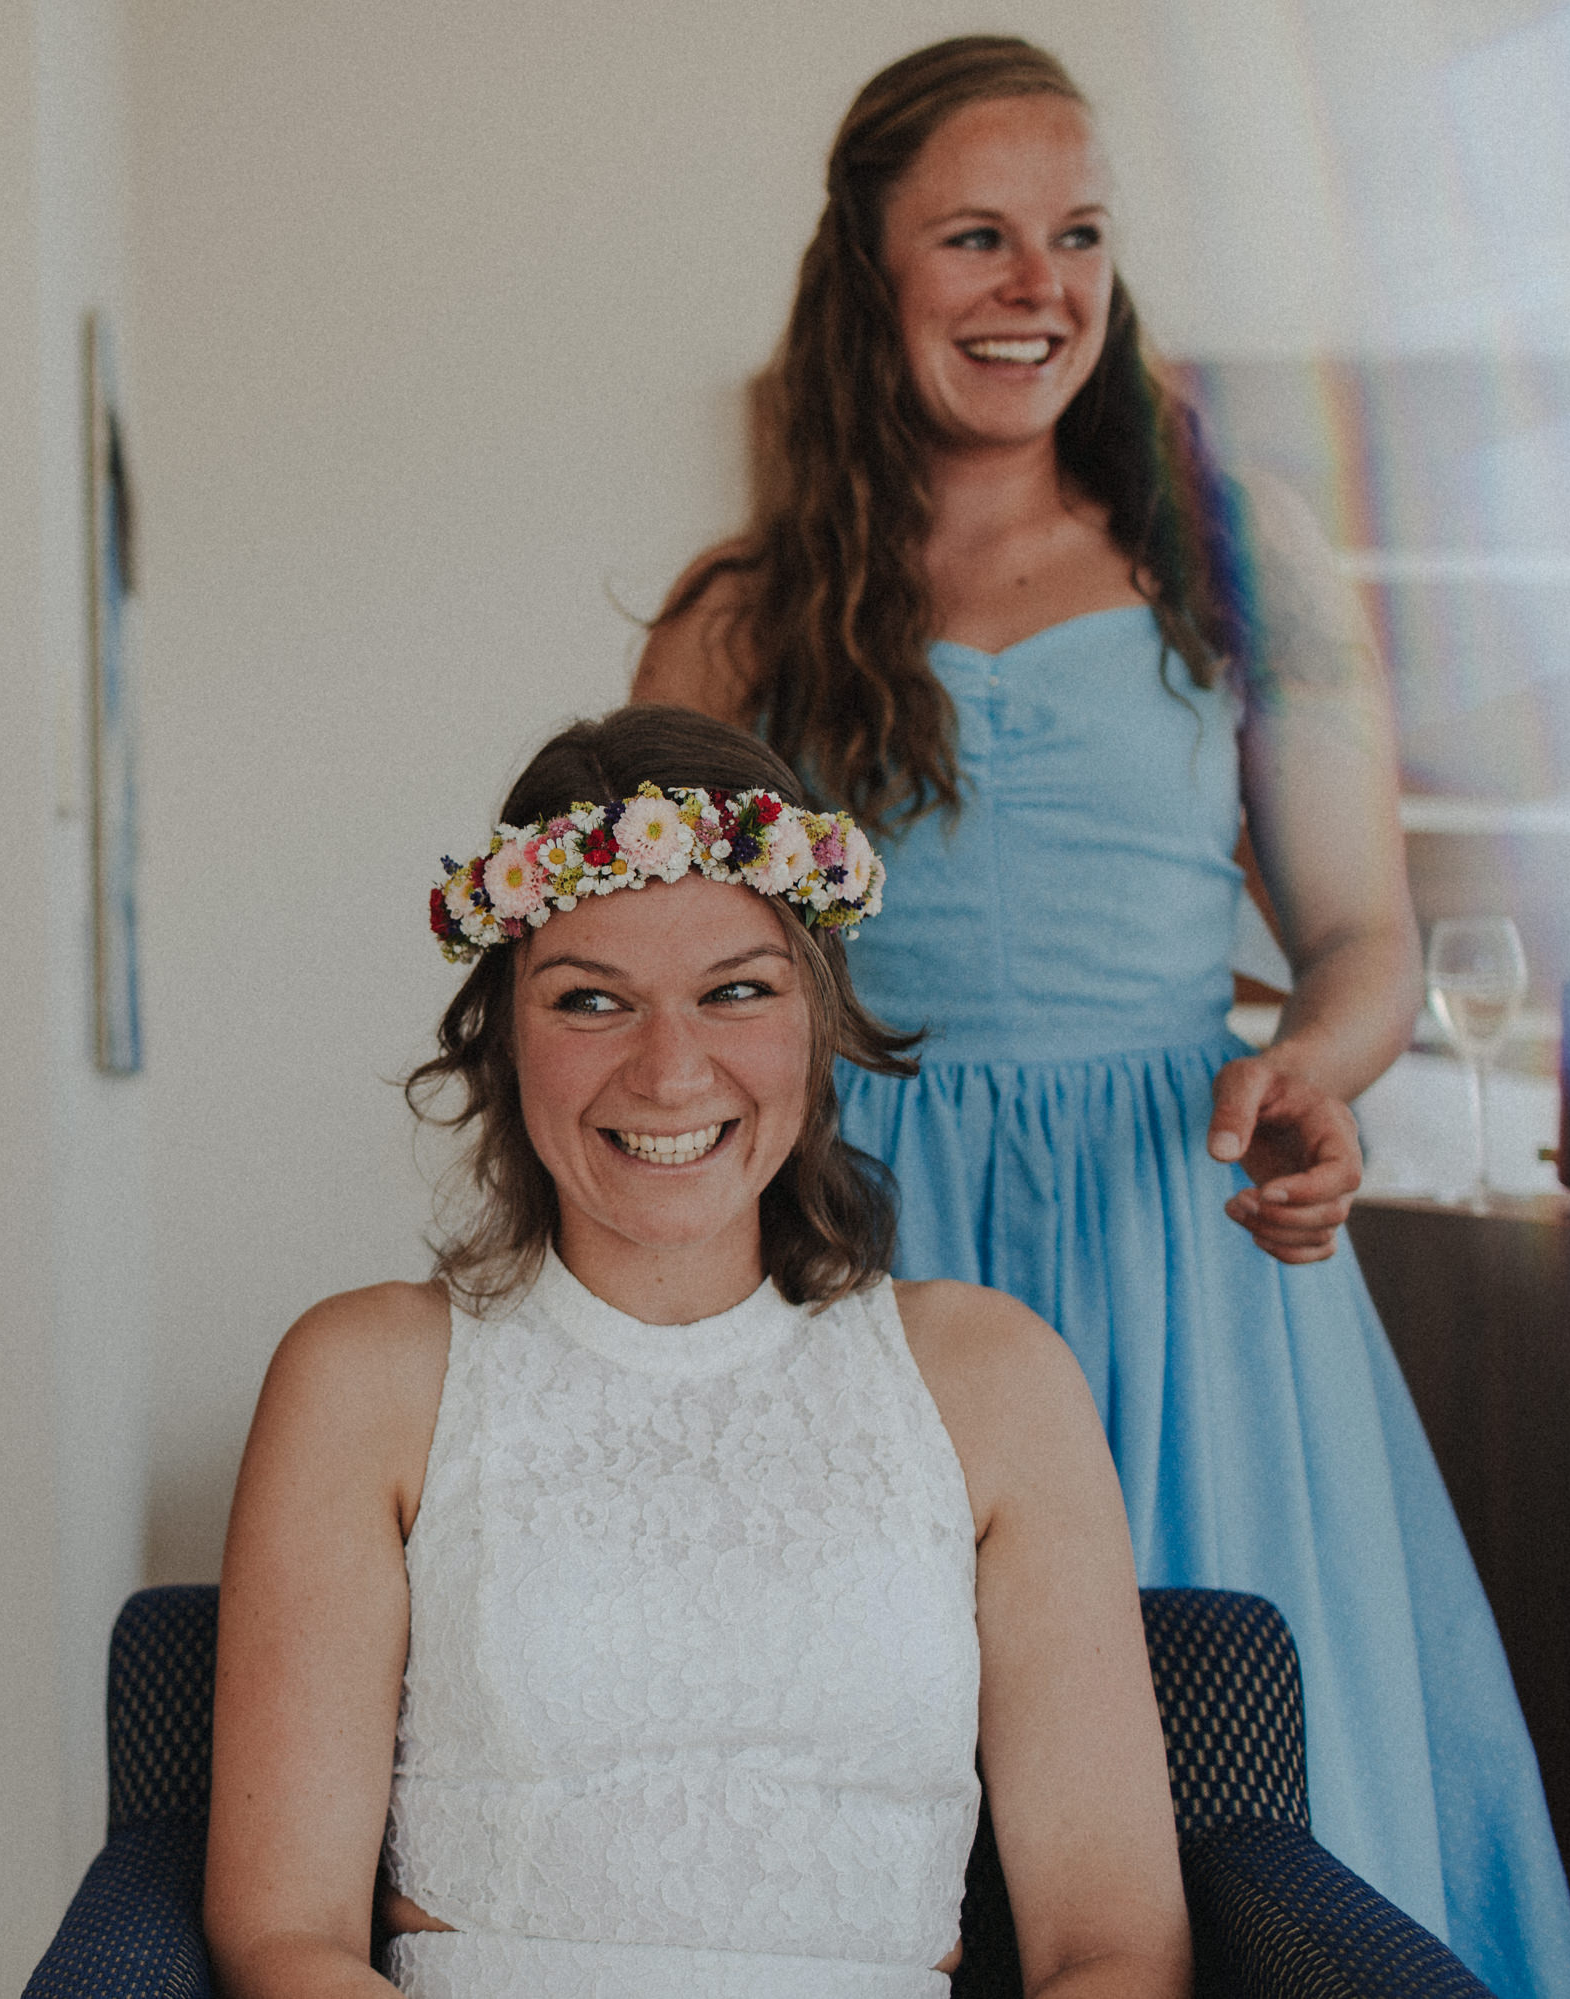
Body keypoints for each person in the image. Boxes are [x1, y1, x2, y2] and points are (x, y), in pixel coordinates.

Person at [632, 36, 1570, 1998]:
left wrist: (1313, 1073)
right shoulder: (741, 614)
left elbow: (1358, 936)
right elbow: (653, 977)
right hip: (853, 1261)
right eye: (974, 236)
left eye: (1075, 236)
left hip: (1185, 1233)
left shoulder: (1249, 568)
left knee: (1234, 1811)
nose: (1036, 285)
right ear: (865, 270)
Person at [207, 706, 1191, 1999]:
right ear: (503, 1034)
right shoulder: (365, 1379)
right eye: (591, 1001)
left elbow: (1115, 1948)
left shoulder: (993, 1380)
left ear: (818, 1018)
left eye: (735, 991)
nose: (672, 1072)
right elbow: (284, 1936)